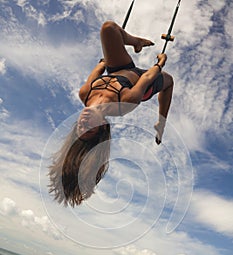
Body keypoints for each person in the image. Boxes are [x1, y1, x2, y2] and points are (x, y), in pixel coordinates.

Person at [49, 21, 174, 207]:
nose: (83, 122)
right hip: (141, 83)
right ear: (101, 127)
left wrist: (102, 63)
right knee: (169, 82)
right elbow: (148, 77)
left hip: (119, 70)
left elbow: (96, 73)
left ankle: (136, 42)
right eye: (89, 128)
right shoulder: (124, 104)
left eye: (80, 127)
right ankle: (161, 122)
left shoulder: (85, 93)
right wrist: (160, 63)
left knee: (108, 28)